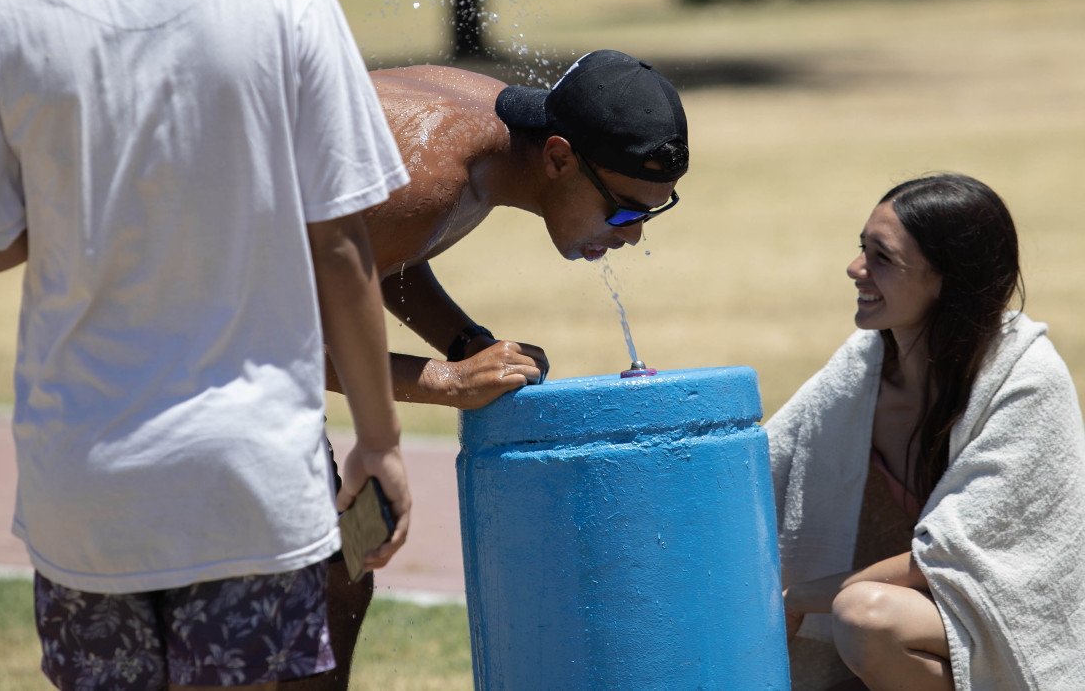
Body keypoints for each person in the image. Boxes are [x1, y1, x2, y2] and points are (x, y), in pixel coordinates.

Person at [0, 0, 411, 688]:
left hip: (82, 503)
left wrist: (78, 200)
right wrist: (381, 444)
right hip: (251, 495)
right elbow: (342, 247)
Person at [305, 49, 689, 689]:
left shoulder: (485, 138)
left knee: (343, 576)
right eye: (625, 211)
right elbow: (287, 341)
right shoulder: (431, 173)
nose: (631, 236)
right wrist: (447, 381)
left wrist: (465, 341)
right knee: (315, 590)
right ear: (560, 157)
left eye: (652, 212)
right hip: (177, 356)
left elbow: (378, 255)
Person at [767, 174, 1085, 691]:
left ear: (947, 280)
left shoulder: (1026, 378)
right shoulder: (860, 369)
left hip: (1009, 620)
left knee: (865, 616)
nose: (855, 269)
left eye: (882, 258)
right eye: (860, 249)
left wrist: (800, 597)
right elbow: (768, 465)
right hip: (928, 616)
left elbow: (951, 556)